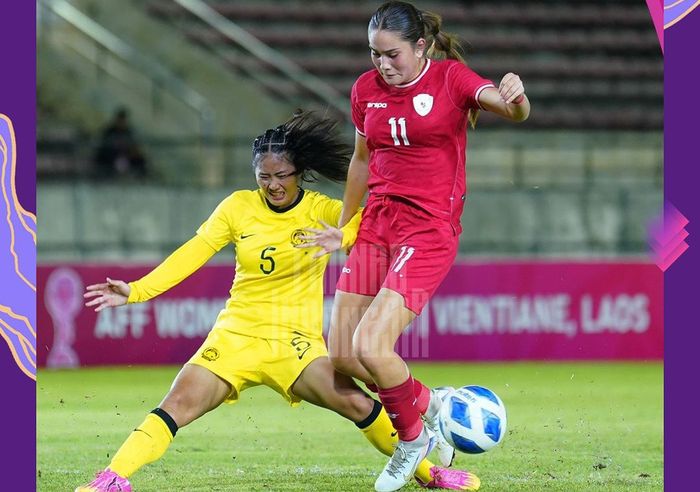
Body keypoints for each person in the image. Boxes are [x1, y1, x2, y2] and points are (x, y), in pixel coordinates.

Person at [76, 111, 477, 492]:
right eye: (263, 176)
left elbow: (368, 220)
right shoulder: (238, 207)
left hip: (296, 344)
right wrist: (138, 289)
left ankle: (429, 473)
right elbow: (193, 252)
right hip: (237, 335)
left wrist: (344, 235)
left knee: (358, 405)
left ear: (299, 172)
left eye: (281, 175)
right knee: (176, 404)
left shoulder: (322, 210)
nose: (272, 184)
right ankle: (113, 477)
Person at [305, 3, 530, 491]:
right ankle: (432, 404)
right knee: (342, 354)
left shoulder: (451, 80)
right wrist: (345, 228)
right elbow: (362, 162)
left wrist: (516, 96)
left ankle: (412, 440)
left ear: (421, 46)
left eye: (392, 54)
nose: (382, 65)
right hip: (377, 227)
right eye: (374, 54)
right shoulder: (366, 91)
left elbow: (511, 110)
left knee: (371, 344)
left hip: (427, 231)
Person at [94, 107, 147, 178]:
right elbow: (103, 145)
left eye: (123, 120)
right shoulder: (109, 131)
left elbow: (134, 145)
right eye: (120, 120)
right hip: (111, 156)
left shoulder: (129, 132)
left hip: (126, 155)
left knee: (140, 160)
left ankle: (140, 178)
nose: (122, 123)